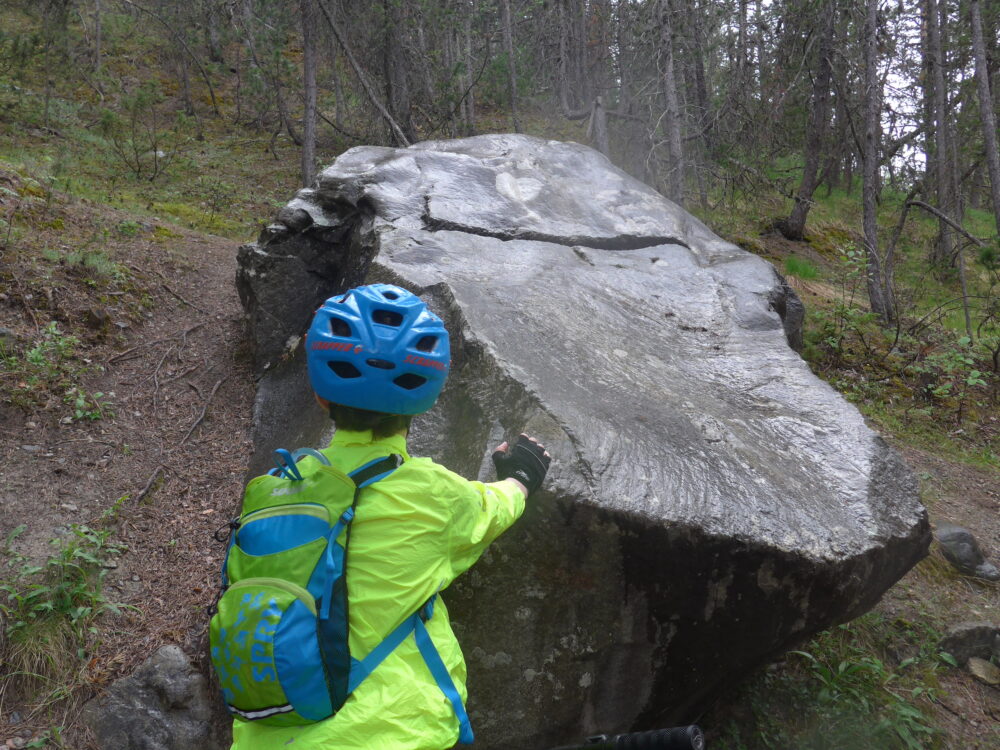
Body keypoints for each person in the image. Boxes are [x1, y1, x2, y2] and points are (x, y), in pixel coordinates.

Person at [230, 283, 551, 750]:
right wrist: (520, 477)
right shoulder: (432, 494)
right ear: (428, 397)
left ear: (320, 396)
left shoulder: (271, 489)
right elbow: (495, 508)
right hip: (391, 733)